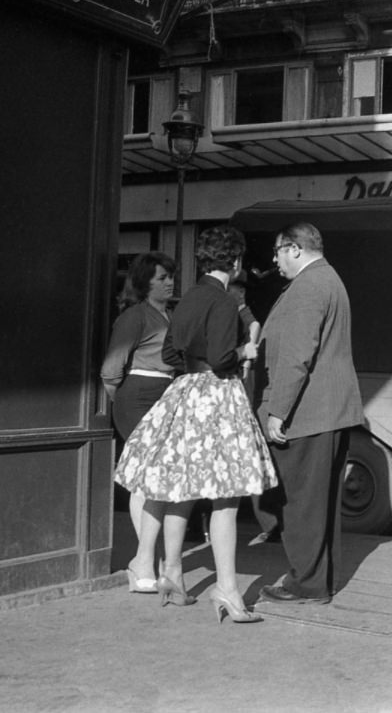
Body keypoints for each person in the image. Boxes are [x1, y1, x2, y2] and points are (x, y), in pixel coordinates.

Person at [115, 226, 277, 623]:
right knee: (225, 498)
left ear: (202, 260)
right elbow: (224, 358)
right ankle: (227, 590)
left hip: (184, 391)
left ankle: (172, 572)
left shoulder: (186, 299)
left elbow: (171, 353)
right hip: (218, 395)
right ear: (236, 262)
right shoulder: (222, 300)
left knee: (177, 488)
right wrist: (246, 349)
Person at [257, 222, 363, 605]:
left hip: (308, 413)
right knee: (322, 504)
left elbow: (296, 356)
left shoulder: (307, 287)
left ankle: (306, 583)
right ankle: (320, 581)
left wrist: (277, 411)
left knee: (300, 504)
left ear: (295, 248)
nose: (275, 260)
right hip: (330, 411)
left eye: (278, 251)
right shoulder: (329, 279)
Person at [101, 251, 176, 592]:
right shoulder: (135, 316)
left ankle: (146, 561)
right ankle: (144, 562)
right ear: (146, 282)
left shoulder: (168, 315)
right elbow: (111, 369)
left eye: (170, 276)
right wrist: (123, 400)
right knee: (147, 480)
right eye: (161, 277)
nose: (169, 281)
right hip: (138, 399)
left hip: (164, 398)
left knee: (155, 480)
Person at [230, 274, 280, 547]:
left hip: (241, 392)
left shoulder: (242, 315)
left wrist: (245, 361)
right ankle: (270, 524)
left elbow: (254, 327)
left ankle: (270, 525)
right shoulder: (242, 314)